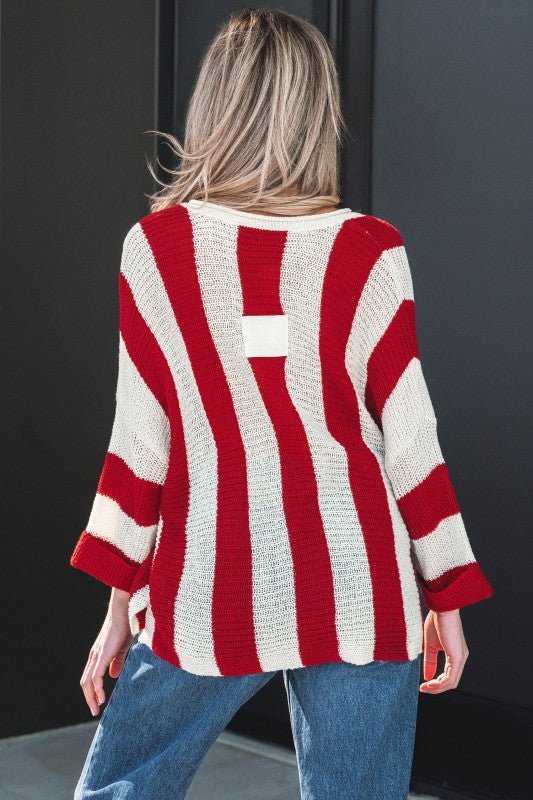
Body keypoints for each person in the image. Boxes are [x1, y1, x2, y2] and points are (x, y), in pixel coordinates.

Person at [69, 7, 494, 799]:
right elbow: (410, 441)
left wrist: (117, 607)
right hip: (363, 585)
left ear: (216, 105)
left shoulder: (157, 248)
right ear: (316, 112)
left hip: (207, 585)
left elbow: (141, 447)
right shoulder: (371, 249)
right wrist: (446, 597)